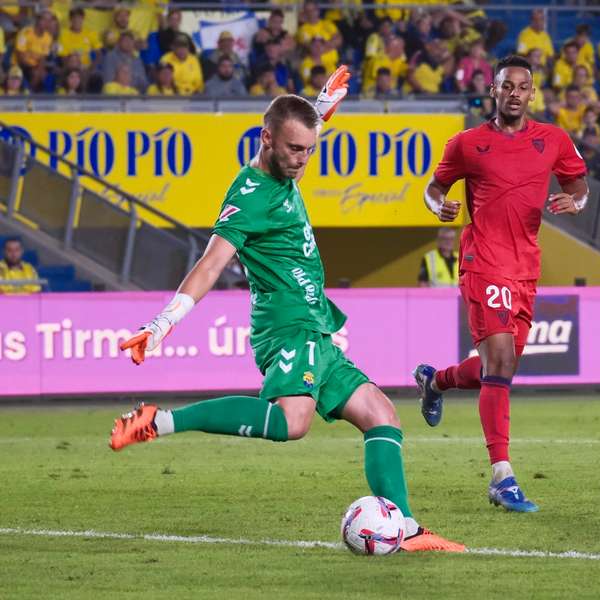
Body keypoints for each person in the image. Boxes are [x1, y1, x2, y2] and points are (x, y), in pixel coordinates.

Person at [109, 74, 463, 554]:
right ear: (266, 139)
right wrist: (161, 324)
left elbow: (306, 127)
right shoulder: (248, 196)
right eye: (294, 149)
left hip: (316, 322)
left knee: (382, 415)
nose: (302, 160)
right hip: (287, 325)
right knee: (292, 422)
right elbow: (212, 262)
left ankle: (408, 529)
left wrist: (320, 107)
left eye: (309, 150)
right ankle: (160, 421)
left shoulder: (289, 157)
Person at [414, 55, 589, 513]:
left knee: (500, 370)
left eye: (523, 86)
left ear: (533, 93)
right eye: (506, 85)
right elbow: (435, 188)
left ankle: (436, 381)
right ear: (493, 90)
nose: (515, 93)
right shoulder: (468, 143)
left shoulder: (553, 140)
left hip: (526, 267)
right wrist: (438, 207)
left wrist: (576, 201)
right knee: (500, 359)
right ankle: (502, 475)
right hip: (483, 259)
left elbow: (579, 183)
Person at [14, 10, 53, 92]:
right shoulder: (25, 32)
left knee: (46, 76)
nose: (47, 23)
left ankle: (35, 95)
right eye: (44, 19)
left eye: (49, 21)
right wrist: (34, 69)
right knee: (36, 74)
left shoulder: (48, 37)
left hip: (36, 66)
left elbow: (43, 58)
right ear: (38, 20)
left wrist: (40, 70)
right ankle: (29, 94)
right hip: (20, 64)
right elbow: (20, 57)